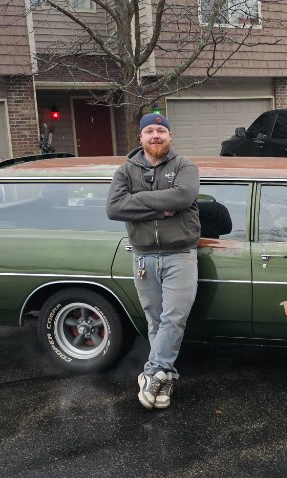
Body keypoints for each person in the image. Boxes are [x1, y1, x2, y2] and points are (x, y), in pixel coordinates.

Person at [106, 113, 200, 410]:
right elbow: (114, 208)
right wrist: (160, 209)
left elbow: (182, 198)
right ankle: (165, 377)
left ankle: (151, 373)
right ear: (141, 138)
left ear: (170, 136)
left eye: (161, 130)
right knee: (155, 320)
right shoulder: (125, 171)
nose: (155, 135)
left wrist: (137, 201)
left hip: (180, 255)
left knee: (174, 318)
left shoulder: (185, 167)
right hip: (143, 256)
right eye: (149, 131)